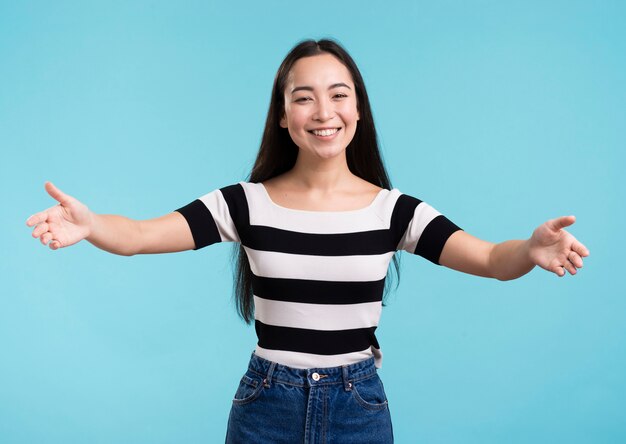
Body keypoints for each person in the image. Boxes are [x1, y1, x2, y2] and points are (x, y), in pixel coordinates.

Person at [26, 39, 589, 443]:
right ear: (282, 115)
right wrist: (92, 224)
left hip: (359, 405)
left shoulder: (395, 212)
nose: (324, 112)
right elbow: (141, 235)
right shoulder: (244, 204)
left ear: (358, 110)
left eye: (339, 95)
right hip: (265, 403)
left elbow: (491, 258)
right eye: (304, 97)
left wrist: (531, 250)